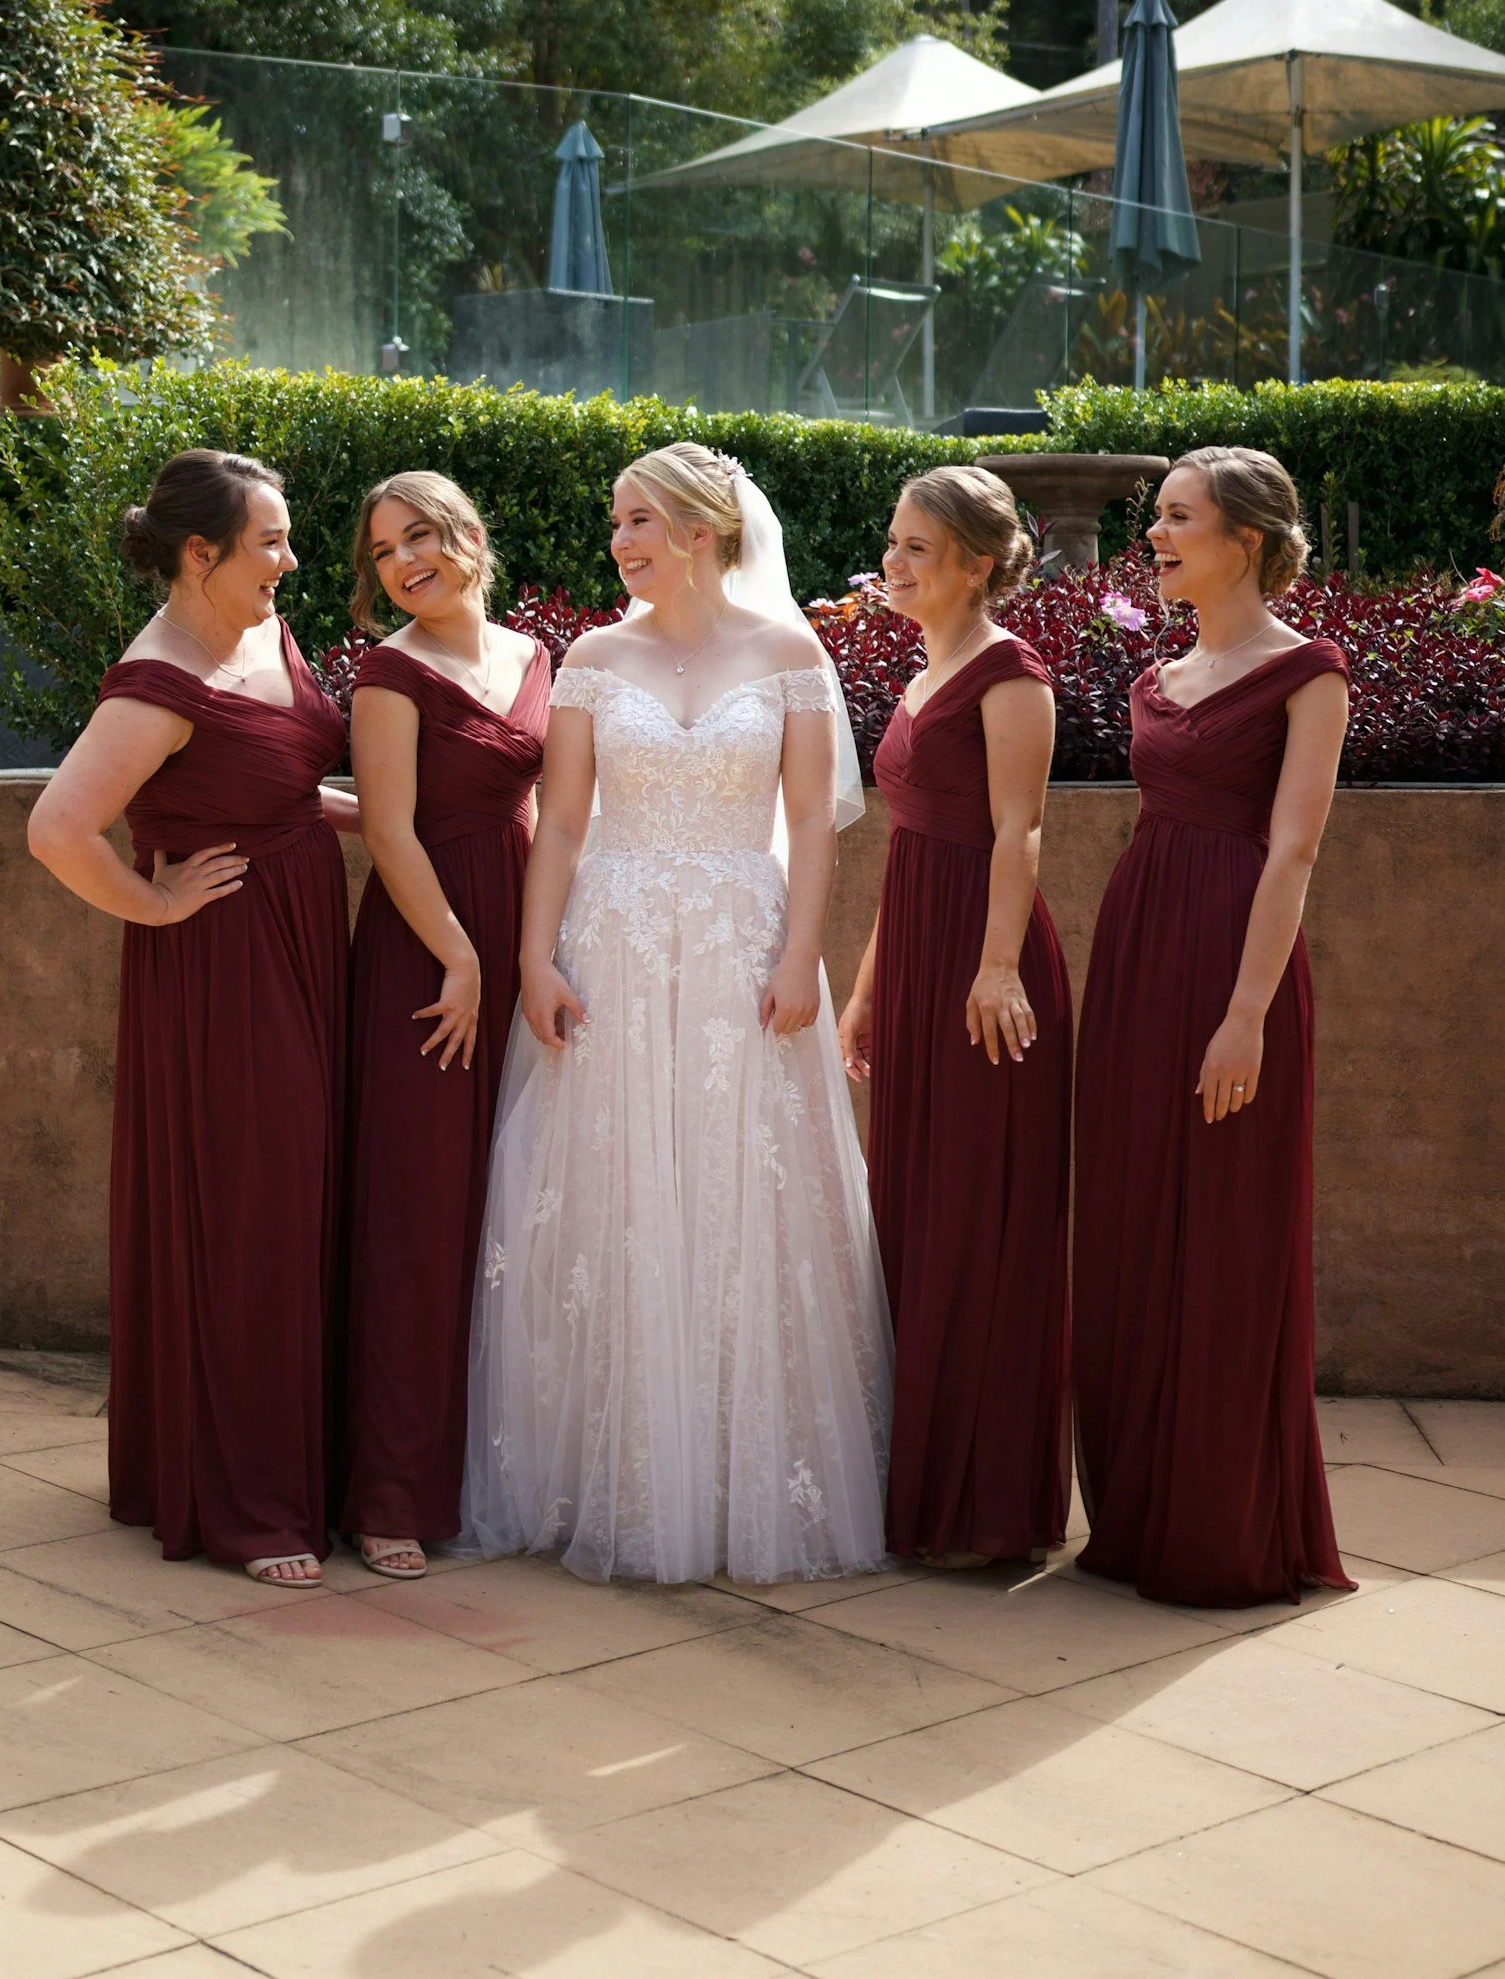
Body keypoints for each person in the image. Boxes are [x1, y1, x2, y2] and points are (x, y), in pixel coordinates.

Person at [462, 443, 892, 1584]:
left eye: (638, 520)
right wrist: (530, 959)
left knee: (738, 1192)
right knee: (620, 1193)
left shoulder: (789, 651)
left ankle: (737, 1477)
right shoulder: (594, 657)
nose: (620, 540)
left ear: (702, 529)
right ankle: (615, 1473)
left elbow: (810, 824)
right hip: (611, 944)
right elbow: (557, 825)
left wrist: (803, 956)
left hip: (742, 951)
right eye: (616, 522)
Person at [27, 450, 355, 1584]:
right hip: (225, 969)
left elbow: (280, 781)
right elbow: (57, 830)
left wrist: (406, 827)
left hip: (304, 946)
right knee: (253, 1208)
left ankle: (226, 1460)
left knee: (295, 1197)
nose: (290, 558)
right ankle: (248, 1503)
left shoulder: (260, 631)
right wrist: (157, 904)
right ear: (199, 553)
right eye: (270, 540)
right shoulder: (156, 681)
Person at [1072, 445, 1354, 1608]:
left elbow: (1291, 851)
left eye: (1177, 519)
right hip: (1138, 958)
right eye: (1156, 518)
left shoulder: (1308, 675)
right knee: (1131, 1227)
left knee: (1226, 1238)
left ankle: (1219, 1532)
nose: (1155, 536)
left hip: (1235, 971)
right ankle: (1135, 1517)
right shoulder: (1157, 677)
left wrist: (1243, 1016)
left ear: (1244, 538)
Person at [839, 467, 1071, 1568]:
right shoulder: (921, 670)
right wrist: (868, 986)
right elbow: (908, 845)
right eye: (892, 543)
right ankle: (920, 1491)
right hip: (922, 960)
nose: (893, 563)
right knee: (915, 1215)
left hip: (989, 977)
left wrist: (991, 968)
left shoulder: (1009, 676)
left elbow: (1016, 835)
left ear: (978, 562)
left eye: (916, 548)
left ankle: (985, 1510)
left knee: (982, 1225)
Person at [339, 473, 548, 1578]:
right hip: (428, 957)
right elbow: (386, 828)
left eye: (418, 535)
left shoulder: (534, 659)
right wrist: (460, 953)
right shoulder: (388, 673)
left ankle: (484, 1474)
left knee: (499, 1214)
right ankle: (387, 1493)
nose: (404, 561)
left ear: (468, 533)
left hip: (521, 938)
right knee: (416, 1216)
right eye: (381, 552)